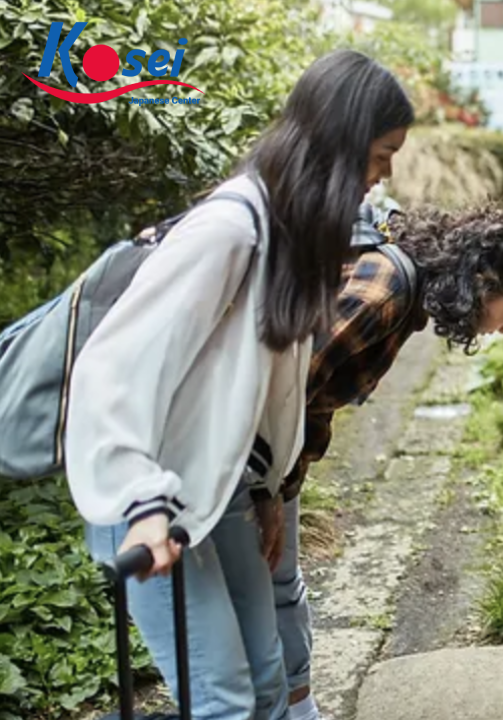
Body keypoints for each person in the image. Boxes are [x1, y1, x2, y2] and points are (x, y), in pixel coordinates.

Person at [65, 49, 413, 720]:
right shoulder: (229, 231)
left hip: (220, 488)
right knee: (223, 699)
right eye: (380, 155)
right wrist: (143, 504)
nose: (381, 178)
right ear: (341, 147)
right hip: (146, 494)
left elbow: (264, 391)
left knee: (267, 689)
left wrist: (269, 491)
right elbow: (113, 369)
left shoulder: (292, 238)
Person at [271, 190, 503, 720]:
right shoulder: (387, 288)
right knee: (264, 600)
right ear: (484, 283)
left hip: (272, 464)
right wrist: (268, 492)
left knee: (280, 589)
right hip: (246, 461)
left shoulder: (406, 290)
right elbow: (285, 389)